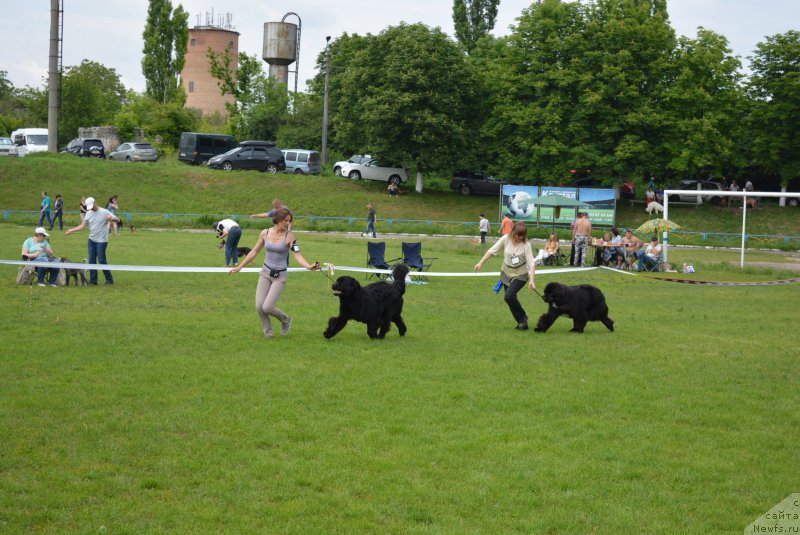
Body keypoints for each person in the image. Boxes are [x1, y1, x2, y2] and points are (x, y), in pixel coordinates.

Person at [230, 208, 320, 338]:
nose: (288, 223)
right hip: (265, 273)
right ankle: (269, 333)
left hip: (280, 276)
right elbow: (254, 251)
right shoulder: (265, 233)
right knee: (259, 306)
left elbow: (297, 255)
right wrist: (240, 267)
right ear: (277, 219)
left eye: (290, 221)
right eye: (286, 220)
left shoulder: (290, 236)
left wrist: (309, 266)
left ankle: (285, 319)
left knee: (267, 307)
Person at [474, 221, 536, 330]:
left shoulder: (526, 245)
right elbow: (491, 251)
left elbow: (531, 263)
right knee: (509, 299)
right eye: (517, 235)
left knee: (509, 296)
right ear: (513, 232)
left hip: (520, 275)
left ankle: (523, 316)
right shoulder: (505, 239)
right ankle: (522, 323)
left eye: (522, 236)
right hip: (506, 273)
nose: (519, 238)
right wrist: (480, 263)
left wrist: (532, 280)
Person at [65, 196, 120, 285]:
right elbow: (83, 225)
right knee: (91, 260)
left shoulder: (104, 211)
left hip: (102, 241)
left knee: (102, 260)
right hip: (91, 240)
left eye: (92, 206)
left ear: (95, 202)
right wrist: (72, 230)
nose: (91, 209)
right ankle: (93, 281)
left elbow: (118, 219)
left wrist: (111, 218)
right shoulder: (89, 213)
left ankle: (109, 280)